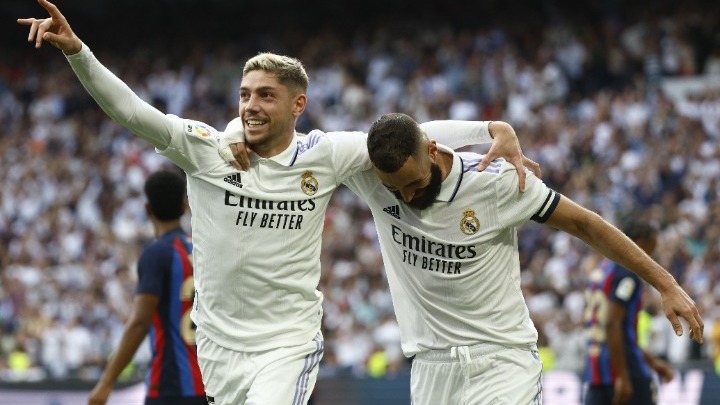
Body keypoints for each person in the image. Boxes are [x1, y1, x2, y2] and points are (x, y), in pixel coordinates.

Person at [18, 2, 539, 404]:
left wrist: (488, 128)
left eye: (266, 95)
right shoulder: (207, 150)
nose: (251, 105)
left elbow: (405, 136)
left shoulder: (325, 154)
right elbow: (131, 111)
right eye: (245, 94)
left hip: (288, 344)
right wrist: (78, 53)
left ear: (297, 105)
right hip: (220, 347)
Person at [337, 112, 703, 405]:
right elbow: (316, 147)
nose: (407, 196)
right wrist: (491, 128)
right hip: (430, 369)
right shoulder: (370, 174)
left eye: (415, 183)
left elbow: (586, 225)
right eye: (395, 190)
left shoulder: (495, 181)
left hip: (500, 361)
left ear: (432, 151)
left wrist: (666, 283)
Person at [88, 169, 206, 405]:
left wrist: (106, 382)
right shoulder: (202, 249)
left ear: (147, 209)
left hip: (171, 384)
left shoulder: (157, 253)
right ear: (185, 207)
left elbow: (140, 322)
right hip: (209, 382)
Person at [583, 220, 675, 405]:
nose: (650, 258)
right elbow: (611, 323)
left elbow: (620, 333)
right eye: (649, 251)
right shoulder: (626, 274)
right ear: (638, 243)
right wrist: (623, 377)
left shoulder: (601, 270)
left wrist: (653, 363)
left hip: (596, 375)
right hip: (625, 374)